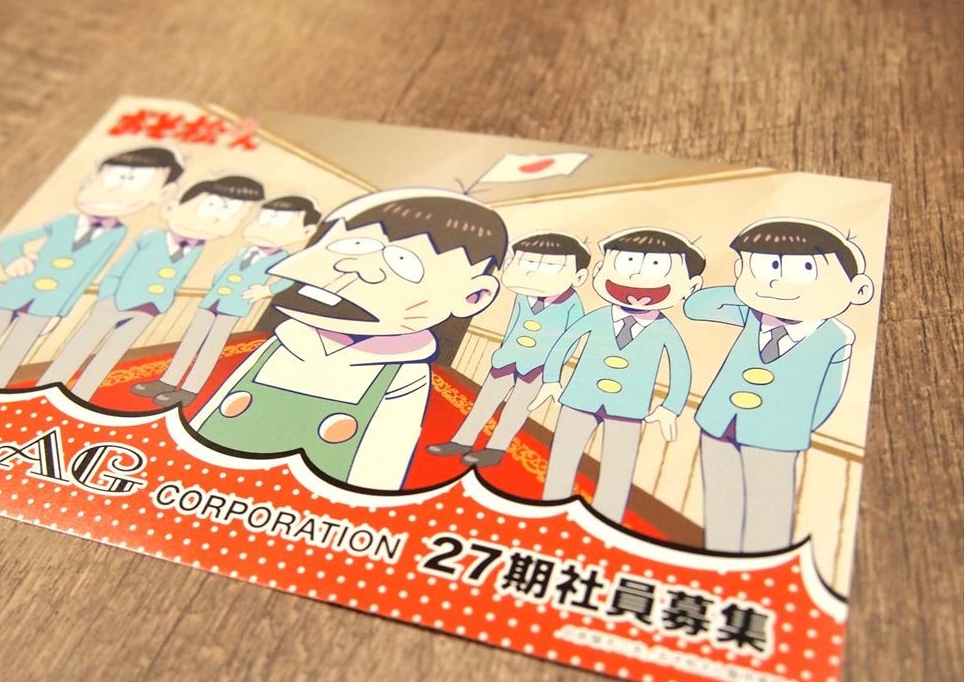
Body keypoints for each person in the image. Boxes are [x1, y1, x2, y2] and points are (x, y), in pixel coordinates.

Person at [190, 191, 508, 490]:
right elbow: (207, 418)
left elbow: (385, 456)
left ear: (473, 296)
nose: (354, 268)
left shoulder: (402, 372)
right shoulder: (282, 341)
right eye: (352, 246)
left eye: (402, 262)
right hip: (212, 478)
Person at [685, 217, 874, 554]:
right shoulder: (752, 314)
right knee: (721, 503)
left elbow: (827, 397)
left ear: (857, 289)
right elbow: (696, 307)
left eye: (804, 269)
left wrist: (791, 426)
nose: (775, 280)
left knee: (768, 511)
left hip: (776, 435)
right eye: (764, 267)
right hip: (718, 423)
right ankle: (720, 559)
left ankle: (757, 566)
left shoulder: (835, 337)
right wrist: (747, 289)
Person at [0, 147, 183, 387]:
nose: (114, 191)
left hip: (48, 306)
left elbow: (84, 277)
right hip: (14, 291)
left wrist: (59, 312)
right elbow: (13, 241)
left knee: (9, 360)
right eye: (111, 179)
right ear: (91, 180)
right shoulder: (64, 221)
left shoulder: (118, 233)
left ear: (163, 193)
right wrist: (14, 260)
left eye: (133, 183)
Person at [531, 228, 704, 522]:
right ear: (601, 269)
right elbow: (565, 343)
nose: (636, 276)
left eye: (656, 267)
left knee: (618, 467)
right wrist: (551, 379)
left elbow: (680, 368)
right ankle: (551, 504)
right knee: (563, 455)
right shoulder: (597, 317)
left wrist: (670, 407)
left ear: (690, 285)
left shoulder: (665, 330)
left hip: (628, 409)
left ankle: (607, 517)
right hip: (579, 399)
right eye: (627, 263)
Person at [39, 174, 263, 400]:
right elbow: (121, 267)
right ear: (171, 209)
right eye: (211, 207)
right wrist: (107, 296)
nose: (215, 219)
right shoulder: (152, 237)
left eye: (229, 213)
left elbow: (178, 276)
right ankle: (46, 389)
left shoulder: (198, 246)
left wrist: (162, 303)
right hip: (116, 301)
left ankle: (81, 395)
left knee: (110, 354)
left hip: (148, 308)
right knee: (79, 347)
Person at [133, 195, 321, 407]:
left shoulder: (282, 258)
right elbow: (224, 271)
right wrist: (216, 286)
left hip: (234, 306)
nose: (265, 226)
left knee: (211, 348)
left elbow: (288, 279)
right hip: (212, 301)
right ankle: (167, 381)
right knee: (190, 343)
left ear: (305, 231)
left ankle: (189, 390)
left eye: (279, 222)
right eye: (264, 218)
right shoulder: (245, 250)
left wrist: (267, 290)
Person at [426, 232, 589, 468]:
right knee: (484, 403)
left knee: (516, 409)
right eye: (529, 263)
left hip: (537, 368)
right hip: (507, 361)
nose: (534, 273)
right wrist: (502, 351)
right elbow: (514, 324)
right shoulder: (523, 295)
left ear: (577, 275)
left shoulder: (572, 304)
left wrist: (551, 373)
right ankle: (461, 441)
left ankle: (496, 448)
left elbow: (568, 344)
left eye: (550, 266)